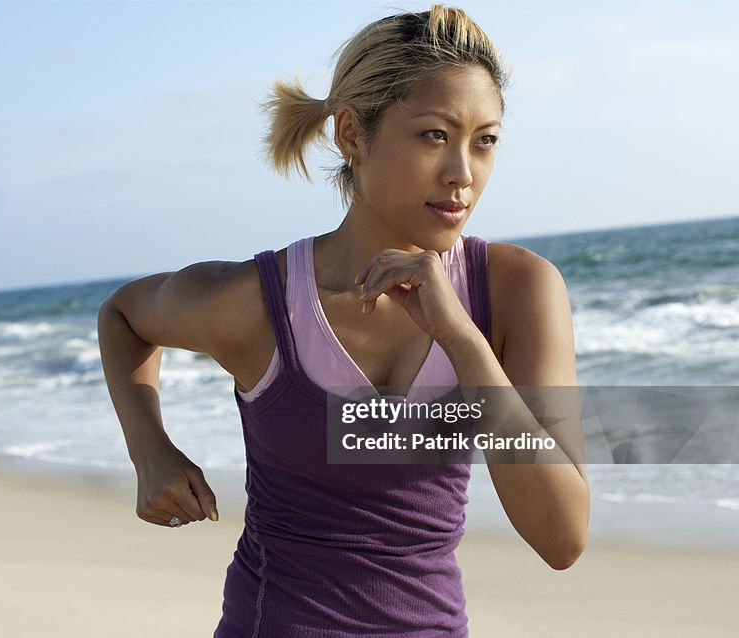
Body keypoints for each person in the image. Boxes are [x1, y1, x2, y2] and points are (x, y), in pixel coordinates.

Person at [98, 5, 590, 636]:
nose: (463, 175)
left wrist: (462, 339)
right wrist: (151, 452)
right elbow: (124, 315)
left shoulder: (518, 290)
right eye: (434, 135)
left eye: (484, 141)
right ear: (353, 135)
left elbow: (563, 538)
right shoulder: (262, 301)